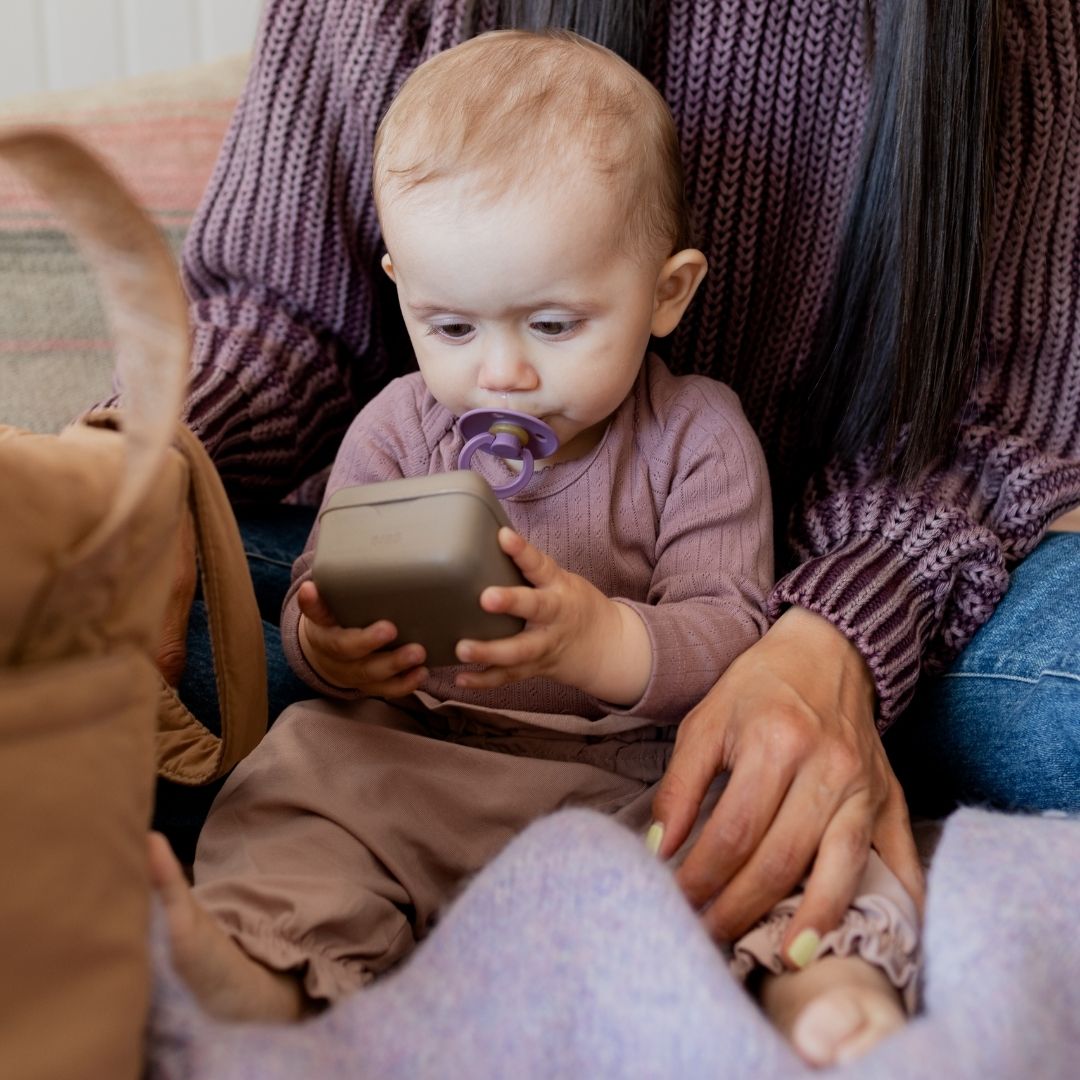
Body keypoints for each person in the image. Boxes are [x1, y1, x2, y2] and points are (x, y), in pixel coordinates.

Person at [144, 0, 1079, 1065]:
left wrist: (592, 638)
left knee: (788, 814)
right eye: (451, 327)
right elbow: (320, 583)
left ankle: (826, 990)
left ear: (667, 293)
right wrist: (331, 645)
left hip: (643, 766)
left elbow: (730, 626)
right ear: (403, 287)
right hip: (425, 755)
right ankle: (253, 963)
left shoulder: (697, 434)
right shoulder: (400, 422)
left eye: (553, 325)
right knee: (300, 771)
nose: (501, 373)